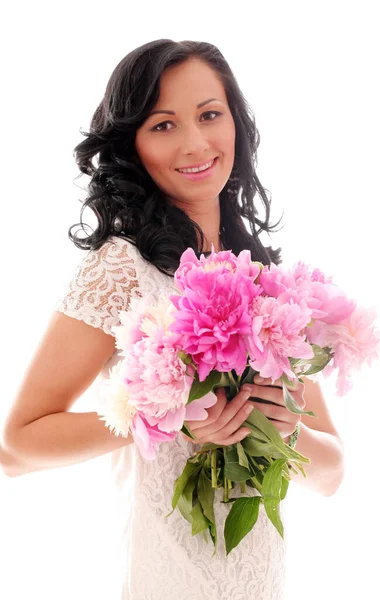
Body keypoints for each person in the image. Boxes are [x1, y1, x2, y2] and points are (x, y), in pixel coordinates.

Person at [0, 39, 344, 599]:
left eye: (210, 115)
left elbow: (331, 475)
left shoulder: (266, 285)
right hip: (162, 577)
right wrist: (166, 420)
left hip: (258, 581)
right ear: (131, 145)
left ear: (237, 125)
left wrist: (286, 430)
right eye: (163, 125)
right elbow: (15, 447)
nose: (194, 143)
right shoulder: (121, 268)